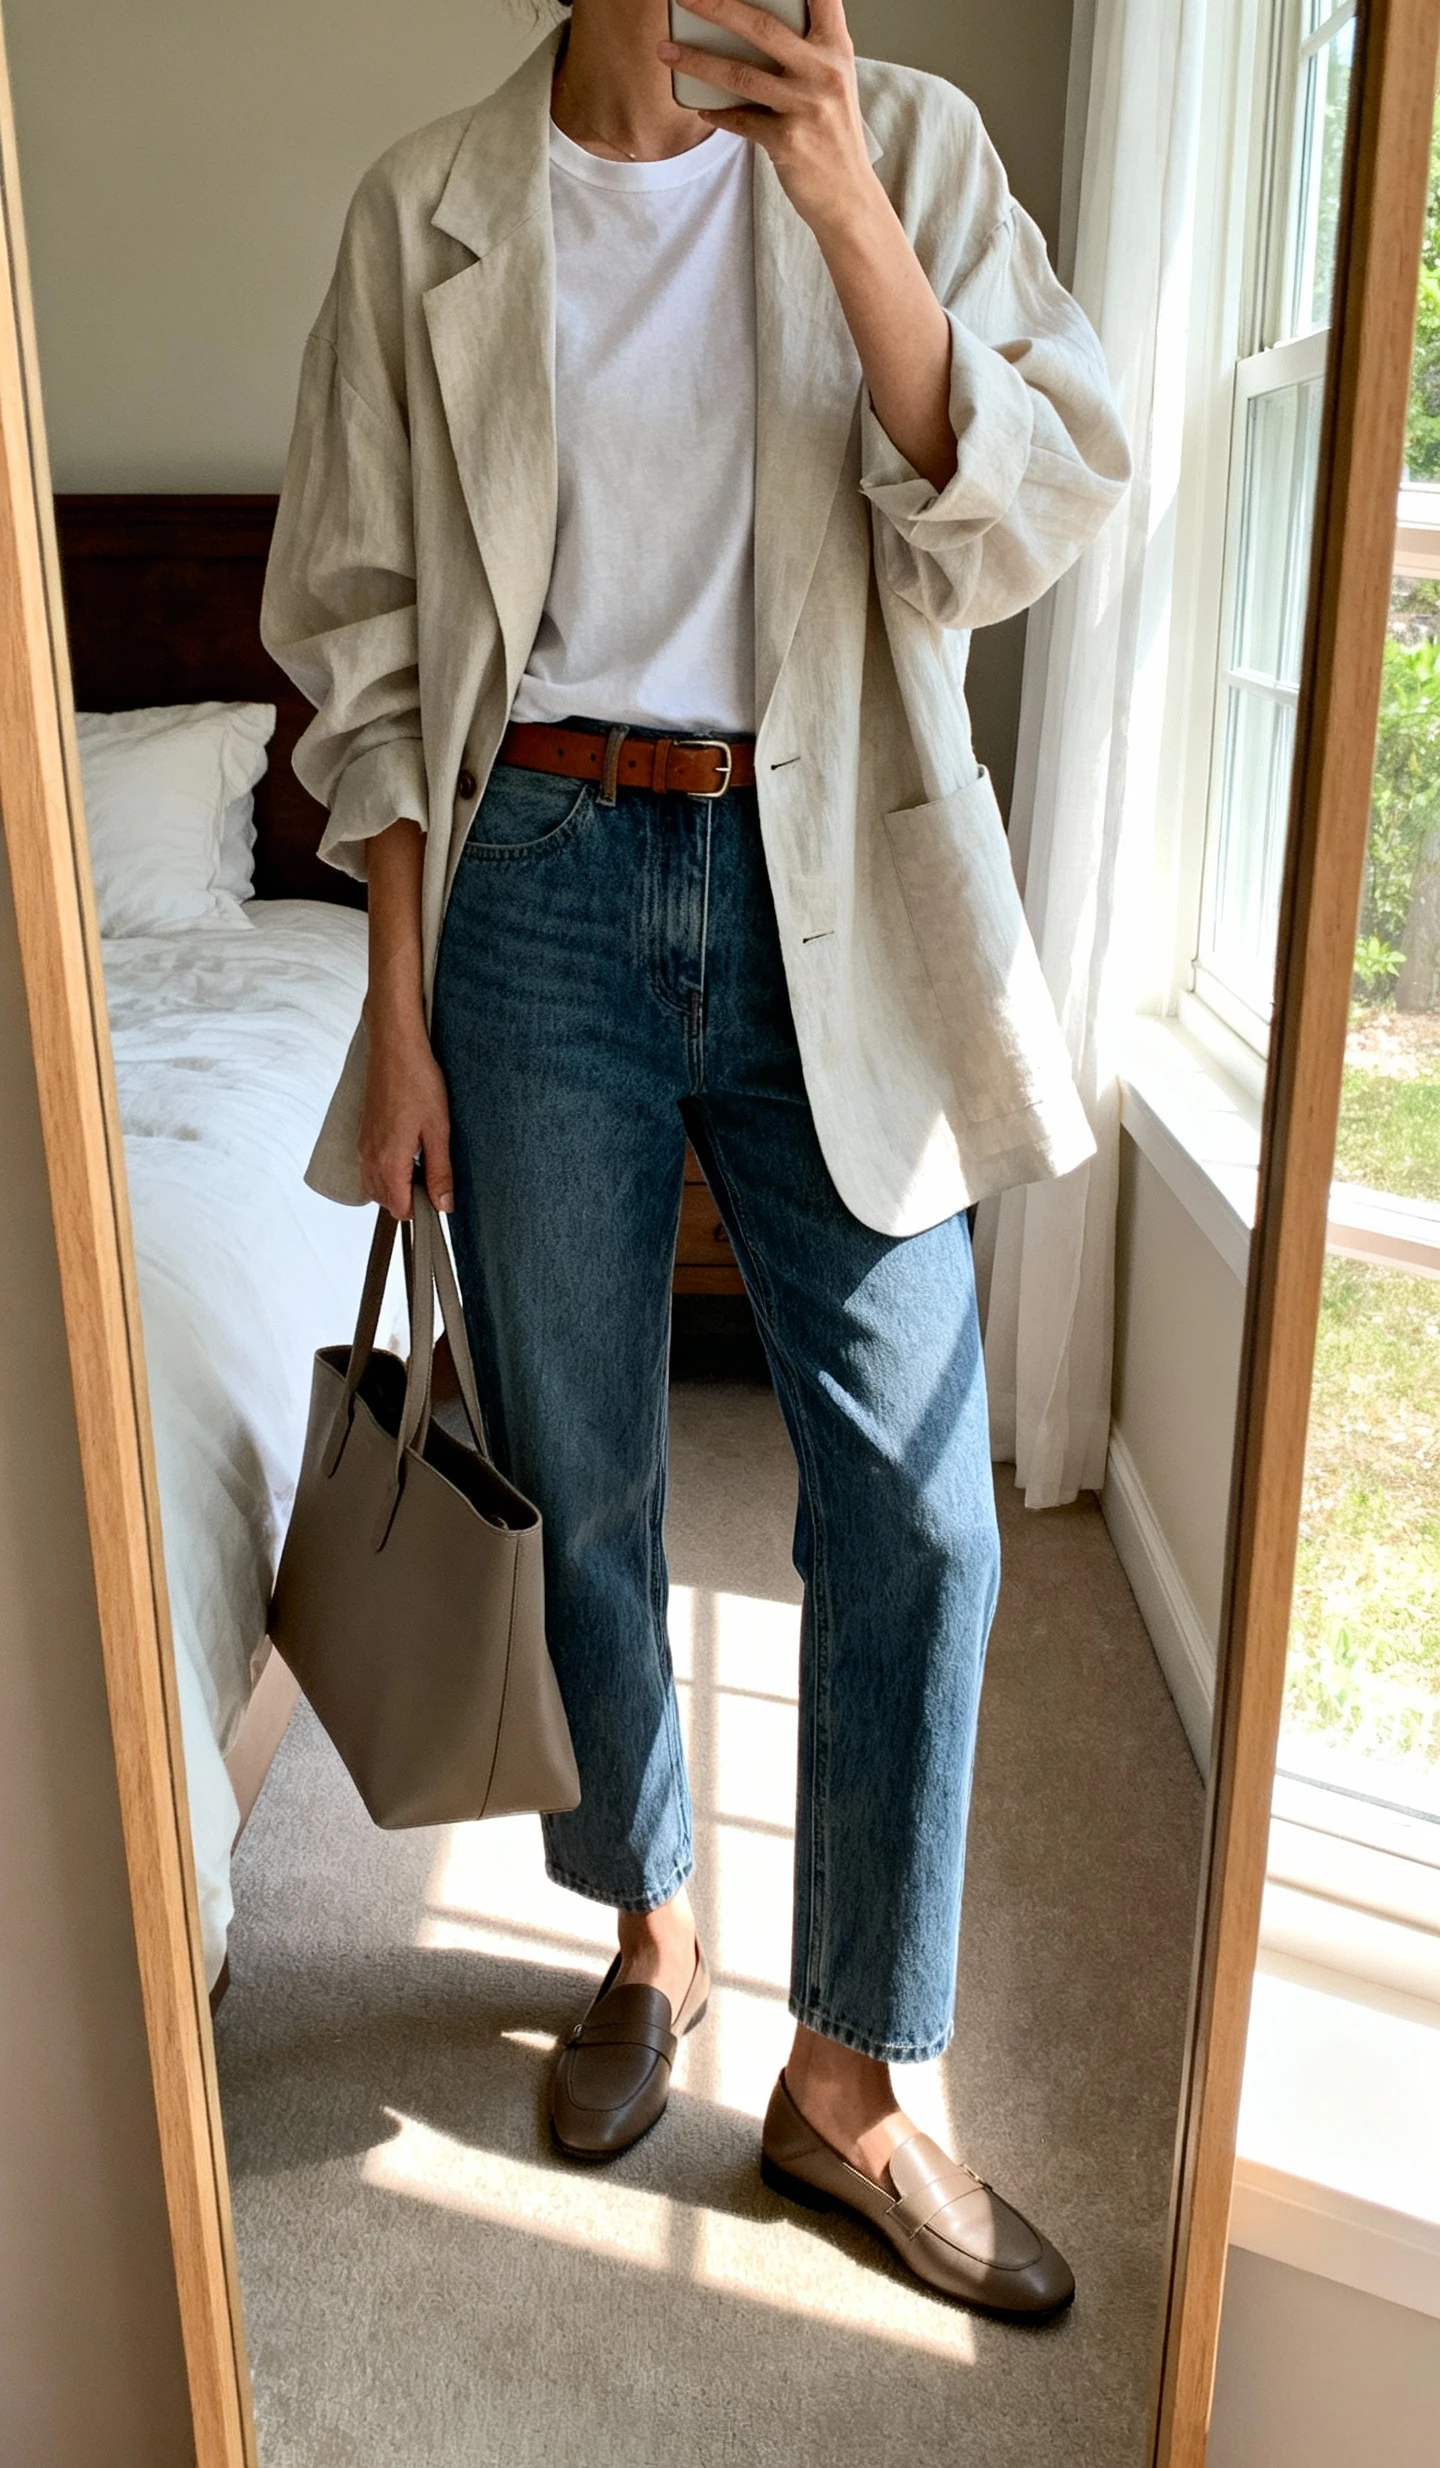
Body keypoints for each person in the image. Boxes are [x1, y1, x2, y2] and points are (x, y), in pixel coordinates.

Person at [263, 0, 1128, 2319]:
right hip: (530, 873)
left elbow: (1036, 503)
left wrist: (841, 200)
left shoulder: (910, 149)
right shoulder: (426, 209)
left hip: (826, 857)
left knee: (922, 1495)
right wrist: (398, 1006)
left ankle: (855, 2074)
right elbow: (359, 643)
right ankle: (650, 1922)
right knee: (585, 1472)